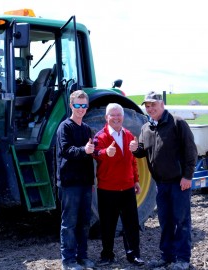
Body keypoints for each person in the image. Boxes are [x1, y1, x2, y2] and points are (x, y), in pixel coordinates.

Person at [132, 91, 198, 270]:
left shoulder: (177, 123)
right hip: (160, 184)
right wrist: (134, 149)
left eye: (153, 104)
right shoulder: (146, 128)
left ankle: (183, 259)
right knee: (165, 221)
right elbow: (142, 152)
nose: (150, 108)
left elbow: (191, 151)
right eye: (147, 105)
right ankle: (167, 257)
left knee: (182, 221)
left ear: (162, 104)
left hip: (179, 183)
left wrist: (187, 176)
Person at [92, 103, 145, 267]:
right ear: (106, 117)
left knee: (131, 224)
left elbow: (133, 161)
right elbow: (94, 153)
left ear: (122, 117)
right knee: (108, 224)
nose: (116, 118)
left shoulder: (129, 135)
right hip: (108, 189)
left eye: (118, 115)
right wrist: (104, 153)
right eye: (112, 115)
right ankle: (107, 255)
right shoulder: (100, 137)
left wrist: (136, 180)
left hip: (127, 187)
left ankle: (133, 254)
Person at [56, 90, 95, 270]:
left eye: (84, 106)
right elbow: (66, 150)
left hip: (85, 183)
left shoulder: (87, 129)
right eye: (78, 105)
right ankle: (68, 261)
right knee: (69, 223)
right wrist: (84, 150)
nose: (81, 109)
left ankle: (83, 257)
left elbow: (90, 155)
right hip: (70, 182)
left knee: (84, 222)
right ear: (71, 106)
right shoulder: (65, 127)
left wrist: (92, 181)